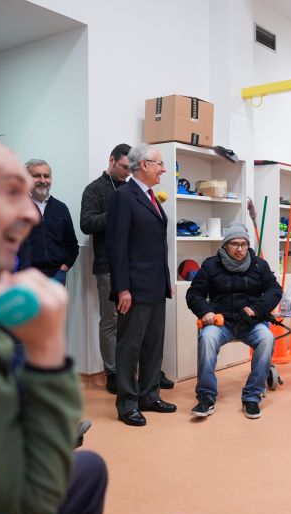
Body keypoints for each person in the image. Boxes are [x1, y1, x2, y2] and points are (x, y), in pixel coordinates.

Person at [0, 131, 196, 514]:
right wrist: (46, 348)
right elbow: (36, 495)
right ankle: (128, 399)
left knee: (89, 468)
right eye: (9, 193)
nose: (29, 215)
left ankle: (145, 395)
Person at [106, 143, 176, 426]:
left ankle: (149, 395)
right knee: (129, 347)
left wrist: (166, 281)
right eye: (160, 164)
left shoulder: (150, 196)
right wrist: (122, 288)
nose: (164, 170)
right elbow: (116, 247)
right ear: (144, 165)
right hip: (133, 289)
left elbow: (155, 245)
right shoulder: (123, 197)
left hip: (156, 285)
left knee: (153, 345)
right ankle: (127, 404)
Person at [186, 222, 282, 419]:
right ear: (225, 245)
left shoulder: (259, 265)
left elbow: (274, 290)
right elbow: (194, 294)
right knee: (207, 338)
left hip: (250, 323)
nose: (240, 249)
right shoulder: (210, 265)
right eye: (234, 244)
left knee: (267, 338)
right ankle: (206, 397)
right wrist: (205, 311)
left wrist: (256, 309)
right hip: (221, 323)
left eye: (243, 244)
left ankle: (252, 396)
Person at [80, 143, 131, 394]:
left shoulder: (132, 188)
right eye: (124, 167)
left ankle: (130, 370)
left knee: (133, 321)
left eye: (131, 169)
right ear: (111, 160)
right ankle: (112, 373)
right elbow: (87, 223)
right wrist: (115, 213)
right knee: (111, 320)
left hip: (134, 266)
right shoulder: (94, 189)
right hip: (107, 265)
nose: (127, 173)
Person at [23, 158, 79, 284]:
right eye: (37, 176)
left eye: (46, 176)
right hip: (27, 277)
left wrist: (65, 266)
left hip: (57, 275)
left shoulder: (61, 208)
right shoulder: (18, 207)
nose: (43, 180)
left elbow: (71, 244)